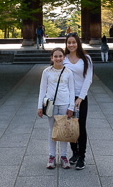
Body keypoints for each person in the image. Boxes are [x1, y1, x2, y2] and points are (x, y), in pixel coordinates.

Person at [38, 47, 75, 169]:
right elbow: (43, 89)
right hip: (50, 104)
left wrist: (71, 106)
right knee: (52, 130)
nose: (58, 58)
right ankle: (52, 155)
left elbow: (71, 90)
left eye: (60, 56)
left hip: (64, 104)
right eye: (56, 56)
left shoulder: (68, 72)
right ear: (52, 58)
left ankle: (63, 156)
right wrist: (39, 106)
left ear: (64, 57)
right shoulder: (46, 72)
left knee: (63, 131)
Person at [63, 32, 93, 170]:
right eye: (69, 42)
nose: (71, 45)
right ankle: (74, 152)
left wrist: (80, 97)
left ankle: (82, 156)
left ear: (78, 43)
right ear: (66, 44)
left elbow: (88, 79)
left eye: (74, 42)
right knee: (70, 126)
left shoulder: (86, 58)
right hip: (66, 97)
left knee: (81, 126)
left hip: (81, 98)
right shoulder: (63, 59)